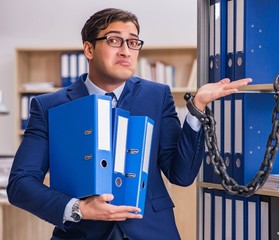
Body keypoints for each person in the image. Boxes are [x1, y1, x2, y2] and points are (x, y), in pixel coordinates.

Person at [7, 8, 251, 240]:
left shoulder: (156, 96)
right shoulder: (49, 106)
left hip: (152, 231)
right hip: (82, 233)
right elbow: (20, 184)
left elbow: (181, 174)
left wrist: (197, 108)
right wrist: (79, 208)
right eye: (114, 41)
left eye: (133, 42)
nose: (125, 51)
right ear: (89, 49)